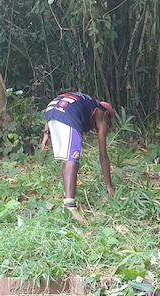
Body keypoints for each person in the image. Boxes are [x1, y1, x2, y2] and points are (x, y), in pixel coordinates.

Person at [40, 92, 116, 222]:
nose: (106, 126)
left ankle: (66, 197)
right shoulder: (101, 112)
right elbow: (103, 155)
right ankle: (70, 206)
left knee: (67, 157)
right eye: (108, 123)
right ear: (107, 115)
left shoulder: (86, 101)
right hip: (67, 114)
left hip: (52, 110)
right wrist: (109, 186)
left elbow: (59, 103)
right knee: (73, 157)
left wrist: (46, 133)